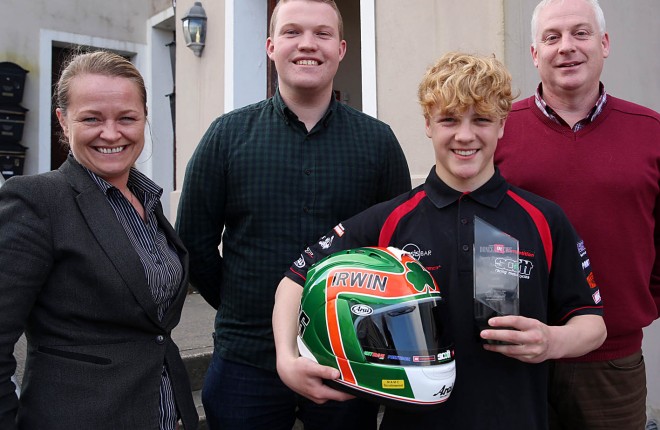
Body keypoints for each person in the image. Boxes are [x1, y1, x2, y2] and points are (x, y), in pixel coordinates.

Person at [272, 52, 607, 430]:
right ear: (429, 124)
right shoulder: (392, 219)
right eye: (449, 119)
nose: (465, 136)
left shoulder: (543, 219)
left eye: (481, 119)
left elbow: (592, 325)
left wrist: (551, 341)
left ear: (501, 126)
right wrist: (286, 360)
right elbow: (296, 277)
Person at [175, 0, 411, 428]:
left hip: (347, 360)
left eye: (321, 34)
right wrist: (238, 303)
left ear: (341, 49)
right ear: (270, 46)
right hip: (247, 358)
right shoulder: (226, 137)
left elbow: (395, 250)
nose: (307, 45)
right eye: (292, 32)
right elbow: (193, 241)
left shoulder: (377, 143)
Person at [0, 51, 198, 430]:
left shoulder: (147, 200)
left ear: (144, 119)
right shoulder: (36, 201)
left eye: (127, 118)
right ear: (63, 120)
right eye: (91, 118)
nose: (111, 133)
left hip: (164, 412)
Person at [493, 0, 660, 428]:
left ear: (604, 44)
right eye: (552, 37)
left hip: (611, 365)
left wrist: (634, 308)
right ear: (535, 54)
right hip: (512, 356)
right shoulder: (496, 131)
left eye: (580, 34)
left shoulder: (650, 131)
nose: (566, 47)